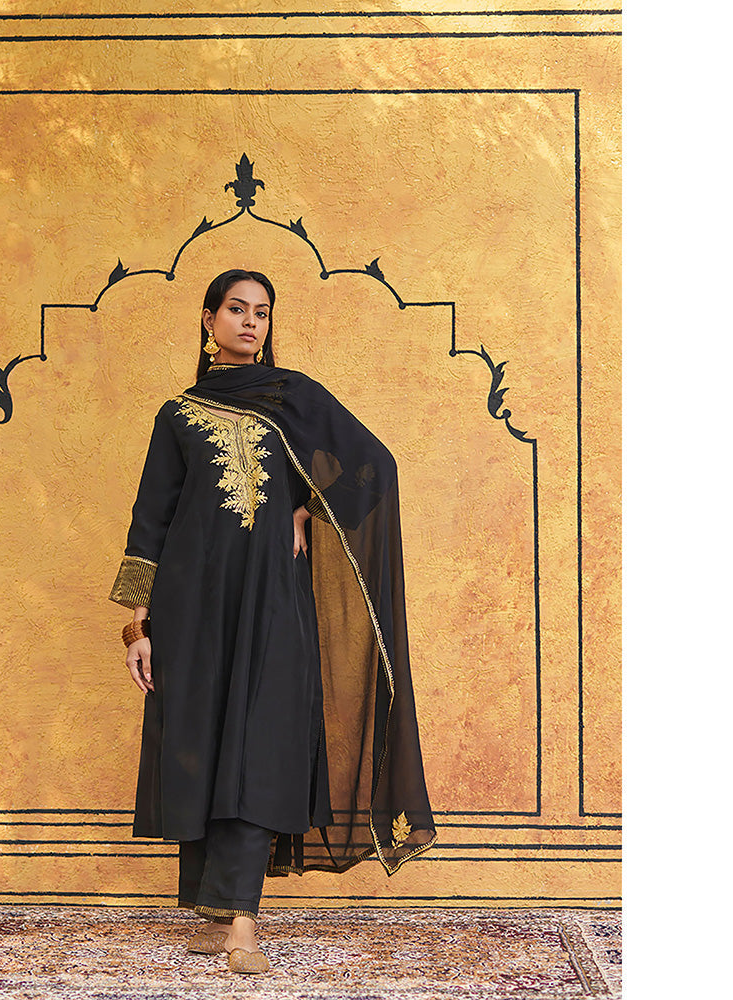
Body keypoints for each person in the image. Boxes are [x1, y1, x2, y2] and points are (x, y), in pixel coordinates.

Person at [108, 268, 436, 974]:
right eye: (236, 309)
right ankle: (210, 907)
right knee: (199, 744)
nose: (250, 322)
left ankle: (243, 924)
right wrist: (139, 627)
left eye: (261, 312)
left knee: (259, 745)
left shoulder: (294, 398)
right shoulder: (177, 415)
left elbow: (373, 467)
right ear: (209, 320)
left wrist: (306, 509)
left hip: (272, 603)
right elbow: (150, 520)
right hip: (192, 608)